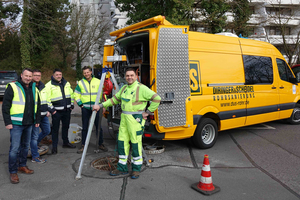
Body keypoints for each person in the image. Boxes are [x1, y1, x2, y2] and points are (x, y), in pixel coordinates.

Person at [93, 68, 161, 179]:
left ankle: (136, 169)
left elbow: (157, 98)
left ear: (136, 76)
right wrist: (100, 106)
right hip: (124, 119)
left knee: (135, 144)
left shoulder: (142, 88)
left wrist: (147, 112)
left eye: (131, 75)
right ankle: (122, 168)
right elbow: (114, 100)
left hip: (136, 120)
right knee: (122, 143)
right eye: (127, 75)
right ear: (125, 77)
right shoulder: (124, 88)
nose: (129, 77)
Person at [2, 68, 41, 184]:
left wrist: (37, 119)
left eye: (30, 76)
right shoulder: (13, 87)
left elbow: (38, 105)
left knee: (25, 147)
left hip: (29, 123)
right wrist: (7, 122)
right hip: (16, 124)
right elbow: (5, 106)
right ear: (21, 75)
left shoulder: (35, 88)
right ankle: (13, 171)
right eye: (26, 76)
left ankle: (22, 166)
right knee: (14, 149)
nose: (28, 78)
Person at [74, 66, 108, 153]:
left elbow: (103, 94)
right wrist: (80, 104)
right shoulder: (80, 83)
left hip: (96, 108)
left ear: (91, 72)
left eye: (87, 72)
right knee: (85, 127)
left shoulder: (98, 81)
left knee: (98, 127)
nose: (86, 74)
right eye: (84, 73)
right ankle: (83, 145)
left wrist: (103, 106)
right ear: (83, 74)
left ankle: (100, 144)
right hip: (85, 108)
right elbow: (76, 94)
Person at [45, 69, 75, 154]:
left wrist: (72, 104)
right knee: (55, 129)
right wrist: (52, 110)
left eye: (60, 74)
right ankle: (54, 146)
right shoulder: (49, 85)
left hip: (67, 111)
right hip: (56, 112)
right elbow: (47, 99)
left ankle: (65, 142)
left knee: (66, 127)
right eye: (57, 75)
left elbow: (71, 94)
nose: (59, 76)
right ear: (53, 75)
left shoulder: (66, 83)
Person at [30, 69, 51, 163]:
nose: (37, 77)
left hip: (43, 114)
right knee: (34, 136)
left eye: (39, 75)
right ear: (32, 76)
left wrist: (47, 110)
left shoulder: (43, 86)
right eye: (35, 75)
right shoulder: (30, 87)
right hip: (34, 116)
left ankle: (35, 145)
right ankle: (35, 156)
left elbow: (45, 100)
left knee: (47, 130)